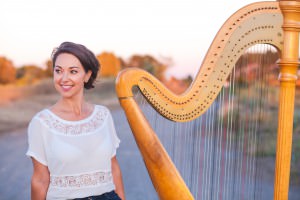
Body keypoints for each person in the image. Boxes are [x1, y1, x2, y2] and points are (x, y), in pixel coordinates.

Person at [26, 41, 125, 200]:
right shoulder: (41, 123)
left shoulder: (103, 115)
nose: (63, 78)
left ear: (87, 75)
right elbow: (40, 180)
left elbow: (113, 168)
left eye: (73, 71)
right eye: (58, 71)